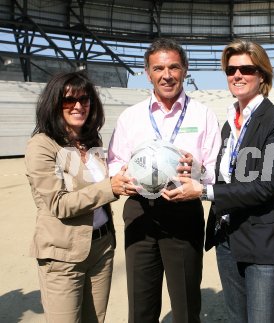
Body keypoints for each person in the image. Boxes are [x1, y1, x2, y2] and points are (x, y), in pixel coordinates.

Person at [164, 39, 274, 323]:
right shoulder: (228, 123)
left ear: (262, 75)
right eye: (231, 70)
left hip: (263, 244)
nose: (237, 75)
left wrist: (203, 191)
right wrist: (195, 168)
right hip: (228, 238)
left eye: (246, 69)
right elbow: (227, 175)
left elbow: (268, 184)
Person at [107, 38, 221, 323]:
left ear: (185, 70)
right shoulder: (131, 117)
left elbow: (215, 171)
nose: (166, 75)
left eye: (173, 67)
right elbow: (114, 162)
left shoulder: (203, 115)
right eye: (158, 68)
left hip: (183, 212)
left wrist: (197, 170)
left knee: (185, 305)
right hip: (139, 211)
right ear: (148, 73)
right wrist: (123, 178)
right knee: (141, 304)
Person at [25, 71, 131, 323]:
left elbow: (104, 186)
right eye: (68, 100)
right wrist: (110, 187)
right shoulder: (42, 145)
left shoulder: (91, 141)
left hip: (102, 248)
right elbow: (59, 204)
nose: (78, 106)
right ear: (53, 104)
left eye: (84, 99)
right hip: (63, 255)